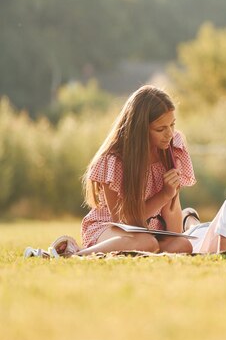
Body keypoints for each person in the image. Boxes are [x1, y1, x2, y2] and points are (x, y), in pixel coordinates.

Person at [46, 85, 195, 257]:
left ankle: (147, 250)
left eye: (172, 125)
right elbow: (124, 222)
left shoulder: (171, 150)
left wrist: (170, 197)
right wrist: (163, 195)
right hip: (110, 228)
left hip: (150, 232)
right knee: (146, 242)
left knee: (183, 244)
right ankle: (78, 254)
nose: (169, 134)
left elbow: (174, 225)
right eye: (160, 129)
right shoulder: (114, 161)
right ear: (140, 130)